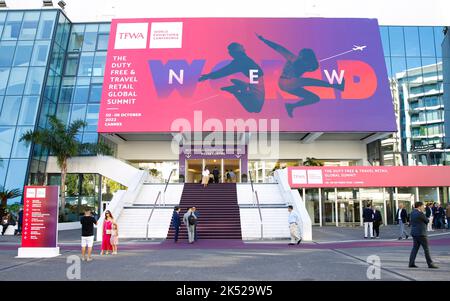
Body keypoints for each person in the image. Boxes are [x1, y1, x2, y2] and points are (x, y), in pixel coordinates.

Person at [257, 33, 345, 117]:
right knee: (309, 81)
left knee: (314, 98)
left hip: (287, 85)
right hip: (287, 82)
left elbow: (279, 48)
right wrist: (264, 40)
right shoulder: (296, 60)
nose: (300, 57)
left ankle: (291, 106)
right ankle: (336, 86)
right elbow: (278, 48)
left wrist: (264, 40)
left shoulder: (301, 62)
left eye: (301, 56)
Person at [198, 42, 265, 113]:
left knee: (254, 109)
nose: (229, 54)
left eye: (230, 52)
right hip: (255, 82)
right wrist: (209, 76)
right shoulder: (242, 60)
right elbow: (224, 71)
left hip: (255, 81)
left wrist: (208, 76)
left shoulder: (242, 60)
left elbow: (224, 71)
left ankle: (240, 88)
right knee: (254, 109)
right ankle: (240, 88)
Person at [408, 201, 438, 269]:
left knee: (415, 248)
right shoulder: (420, 213)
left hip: (414, 233)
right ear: (419, 206)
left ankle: (411, 263)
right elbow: (427, 221)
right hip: (421, 233)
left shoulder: (412, 213)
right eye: (422, 206)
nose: (424, 207)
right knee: (426, 249)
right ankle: (430, 264)